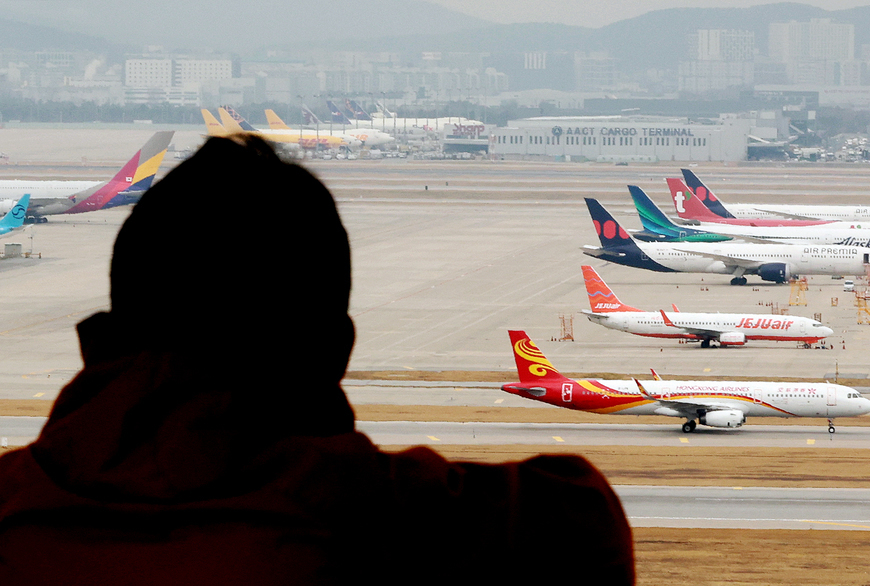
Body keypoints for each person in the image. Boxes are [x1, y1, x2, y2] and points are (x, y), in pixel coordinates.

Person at [0, 135, 634, 585]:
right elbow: (586, 527)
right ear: (338, 349)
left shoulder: (19, 514)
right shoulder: (466, 528)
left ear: (102, 337)